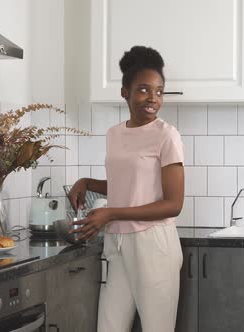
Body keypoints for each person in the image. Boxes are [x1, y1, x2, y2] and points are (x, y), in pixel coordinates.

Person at [68, 46, 184, 332]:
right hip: (117, 243)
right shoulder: (114, 134)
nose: (153, 99)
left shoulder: (166, 136)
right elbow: (128, 186)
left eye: (159, 91)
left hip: (154, 245)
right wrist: (87, 183)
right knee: (108, 327)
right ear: (125, 92)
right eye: (144, 90)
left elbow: (173, 204)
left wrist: (110, 213)